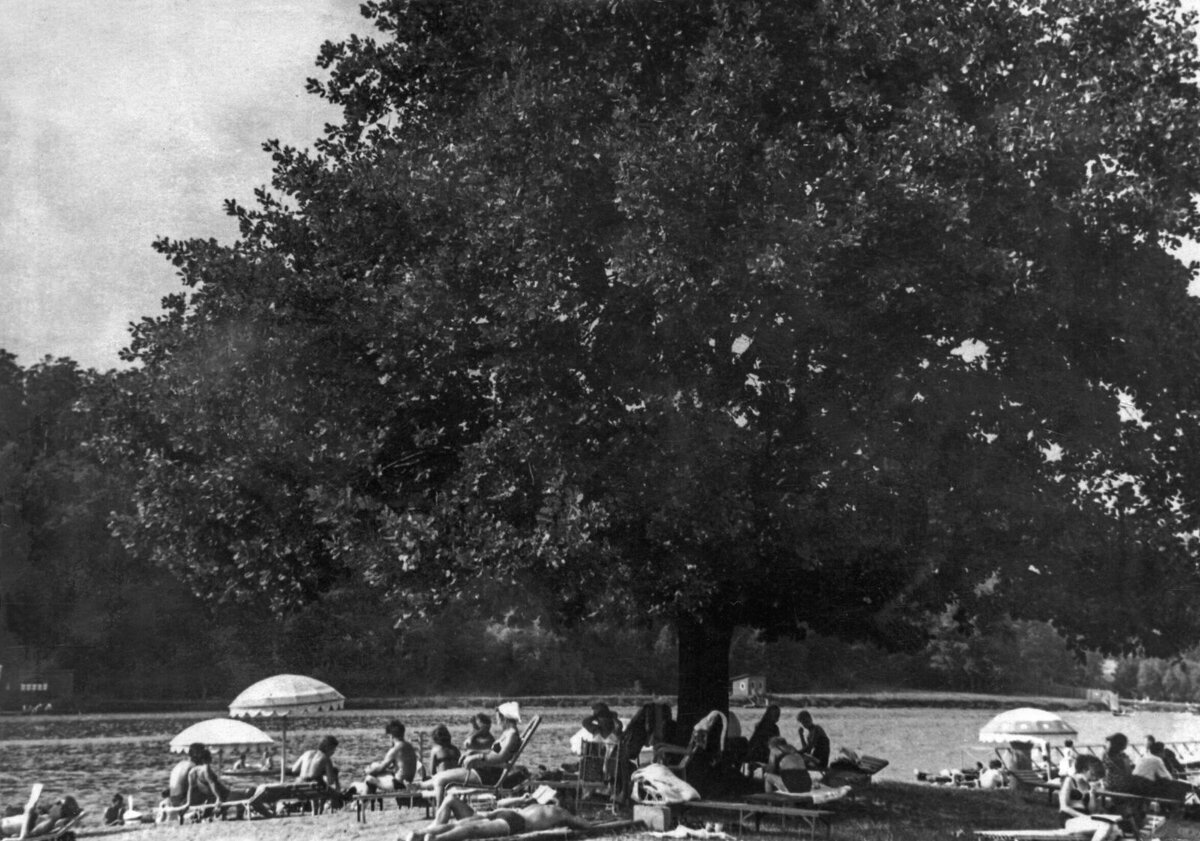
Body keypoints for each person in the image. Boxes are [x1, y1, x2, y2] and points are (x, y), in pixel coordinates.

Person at [419, 702, 524, 805]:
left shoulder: (512, 736)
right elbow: (493, 752)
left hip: (487, 775)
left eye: (498, 717)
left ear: (504, 718)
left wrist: (477, 757)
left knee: (441, 779)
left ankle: (439, 815)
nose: (497, 721)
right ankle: (418, 785)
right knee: (440, 776)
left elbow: (500, 757)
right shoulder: (508, 734)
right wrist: (473, 752)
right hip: (486, 771)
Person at [403, 791, 594, 841]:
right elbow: (585, 825)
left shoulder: (536, 804)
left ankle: (420, 833)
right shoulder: (560, 812)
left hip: (504, 813)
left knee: (458, 824)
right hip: (515, 821)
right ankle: (436, 839)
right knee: (472, 830)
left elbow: (501, 804)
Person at [1058, 754, 1122, 841]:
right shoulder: (1070, 780)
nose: (1094, 778)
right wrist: (1083, 817)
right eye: (1093, 775)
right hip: (1070, 820)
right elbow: (1064, 807)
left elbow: (1092, 810)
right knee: (1105, 826)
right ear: (1084, 770)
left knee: (1116, 830)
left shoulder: (1088, 785)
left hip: (1084, 820)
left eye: (1097, 777)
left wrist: (1092, 794)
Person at [364, 720, 419, 791]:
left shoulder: (395, 749)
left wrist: (367, 771)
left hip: (398, 784)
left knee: (369, 777)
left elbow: (380, 768)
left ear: (391, 736)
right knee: (375, 767)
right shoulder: (409, 746)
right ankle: (364, 800)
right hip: (408, 781)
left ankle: (362, 801)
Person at [1131, 741, 1195, 801]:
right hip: (1146, 787)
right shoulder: (1157, 760)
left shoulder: (1143, 758)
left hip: (1136, 785)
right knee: (1184, 787)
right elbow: (1168, 778)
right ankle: (1178, 807)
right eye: (1163, 751)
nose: (1164, 753)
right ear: (1160, 751)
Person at [0, 796, 83, 839]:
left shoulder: (48, 822)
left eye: (58, 803)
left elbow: (30, 834)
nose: (55, 804)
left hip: (3, 829)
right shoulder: (46, 818)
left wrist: (30, 813)